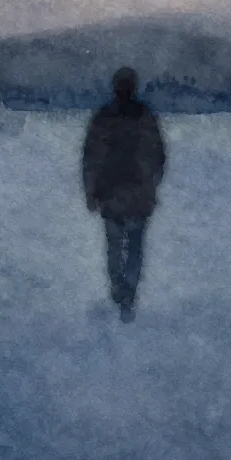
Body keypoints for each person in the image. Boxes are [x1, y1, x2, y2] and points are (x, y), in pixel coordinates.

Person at [82, 67, 167, 322]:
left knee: (115, 246)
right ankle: (127, 293)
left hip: (111, 194)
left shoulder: (103, 118)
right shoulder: (145, 117)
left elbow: (91, 159)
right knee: (134, 247)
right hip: (138, 195)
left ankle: (119, 289)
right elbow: (158, 157)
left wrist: (91, 191)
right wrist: (151, 185)